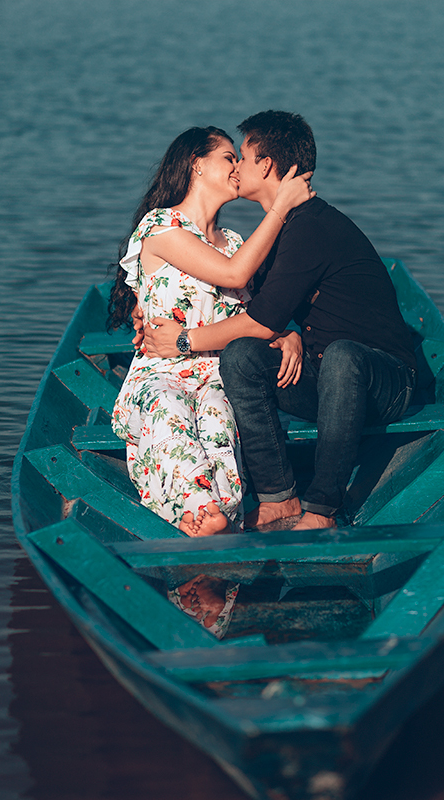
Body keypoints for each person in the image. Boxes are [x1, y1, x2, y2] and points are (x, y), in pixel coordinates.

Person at [143, 111, 418, 531]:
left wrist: (185, 341)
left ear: (266, 166)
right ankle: (279, 499)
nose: (237, 168)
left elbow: (259, 319)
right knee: (241, 358)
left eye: (243, 158)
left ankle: (322, 509)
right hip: (327, 381)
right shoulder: (279, 233)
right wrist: (290, 335)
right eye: (229, 159)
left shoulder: (312, 227)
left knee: (343, 356)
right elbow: (264, 312)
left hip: (385, 381)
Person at [106, 126, 312, 635]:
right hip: (162, 371)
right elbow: (237, 277)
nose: (237, 168)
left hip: (218, 376)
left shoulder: (237, 242)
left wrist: (287, 335)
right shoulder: (161, 227)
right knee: (170, 415)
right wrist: (281, 206)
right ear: (196, 164)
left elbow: (255, 311)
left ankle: (202, 585)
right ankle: (204, 541)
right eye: (227, 158)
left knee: (221, 432)